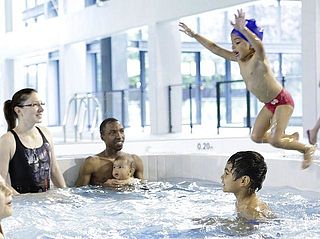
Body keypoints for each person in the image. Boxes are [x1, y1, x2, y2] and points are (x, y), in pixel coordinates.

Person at [179, 9, 316, 169]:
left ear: (250, 45)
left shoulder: (259, 59)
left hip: (282, 101)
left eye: (237, 42)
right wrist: (195, 35)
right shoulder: (238, 60)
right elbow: (214, 48)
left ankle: (306, 149)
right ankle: (287, 137)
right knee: (256, 137)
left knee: (275, 141)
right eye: (232, 43)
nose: (233, 47)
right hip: (269, 104)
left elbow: (259, 45)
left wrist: (244, 29)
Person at [0, 88, 66, 194]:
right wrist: (30, 202)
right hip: (23, 206)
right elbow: (1, 183)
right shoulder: (7, 140)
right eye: (35, 105)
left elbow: (54, 170)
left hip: (45, 204)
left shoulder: (46, 133)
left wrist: (66, 195)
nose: (41, 109)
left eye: (42, 104)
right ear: (18, 110)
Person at [75, 118, 144, 186]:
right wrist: (104, 186)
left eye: (121, 131)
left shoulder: (134, 160)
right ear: (102, 136)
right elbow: (79, 191)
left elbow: (143, 188)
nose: (119, 136)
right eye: (113, 132)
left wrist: (129, 181)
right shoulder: (92, 163)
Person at [221, 151, 273, 220]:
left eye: (227, 173)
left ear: (244, 181)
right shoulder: (241, 203)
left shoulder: (250, 211)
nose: (222, 177)